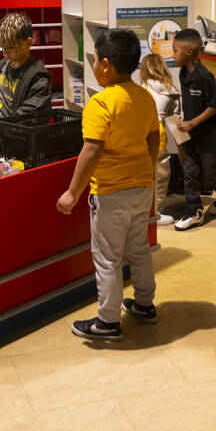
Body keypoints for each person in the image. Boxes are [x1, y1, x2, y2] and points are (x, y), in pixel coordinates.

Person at [56, 28, 160, 342]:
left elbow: (92, 149)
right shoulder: (144, 97)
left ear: (106, 65)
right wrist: (148, 170)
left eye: (96, 62)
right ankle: (144, 304)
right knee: (139, 248)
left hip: (111, 191)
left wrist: (72, 192)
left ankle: (108, 321)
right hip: (142, 187)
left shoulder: (100, 104)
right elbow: (153, 137)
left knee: (107, 257)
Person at [171, 28, 216, 231]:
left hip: (208, 137)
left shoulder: (204, 76)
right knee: (189, 171)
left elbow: (214, 106)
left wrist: (193, 122)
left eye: (175, 50)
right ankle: (194, 212)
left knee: (209, 173)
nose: (172, 55)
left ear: (189, 51)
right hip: (190, 136)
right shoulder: (183, 73)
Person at [139, 52, 181, 226]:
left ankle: (141, 210)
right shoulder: (172, 91)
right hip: (158, 133)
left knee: (142, 174)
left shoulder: (140, 87)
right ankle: (155, 213)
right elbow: (175, 122)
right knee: (161, 175)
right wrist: (181, 147)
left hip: (138, 133)